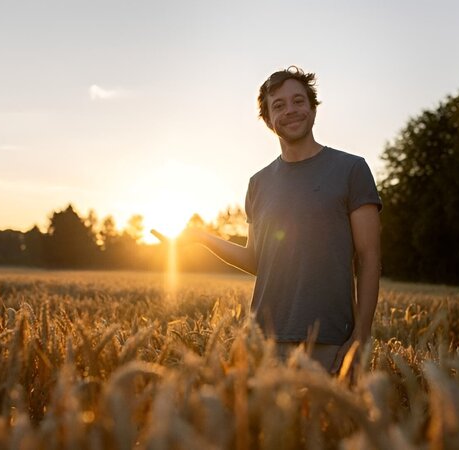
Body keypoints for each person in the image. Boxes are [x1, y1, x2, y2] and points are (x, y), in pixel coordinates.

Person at [153, 66, 382, 373]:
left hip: (329, 339)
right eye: (279, 105)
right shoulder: (258, 183)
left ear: (313, 108)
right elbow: (255, 259)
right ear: (267, 121)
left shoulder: (351, 169)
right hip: (264, 340)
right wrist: (199, 236)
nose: (291, 110)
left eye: (298, 101)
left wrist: (361, 336)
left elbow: (369, 258)